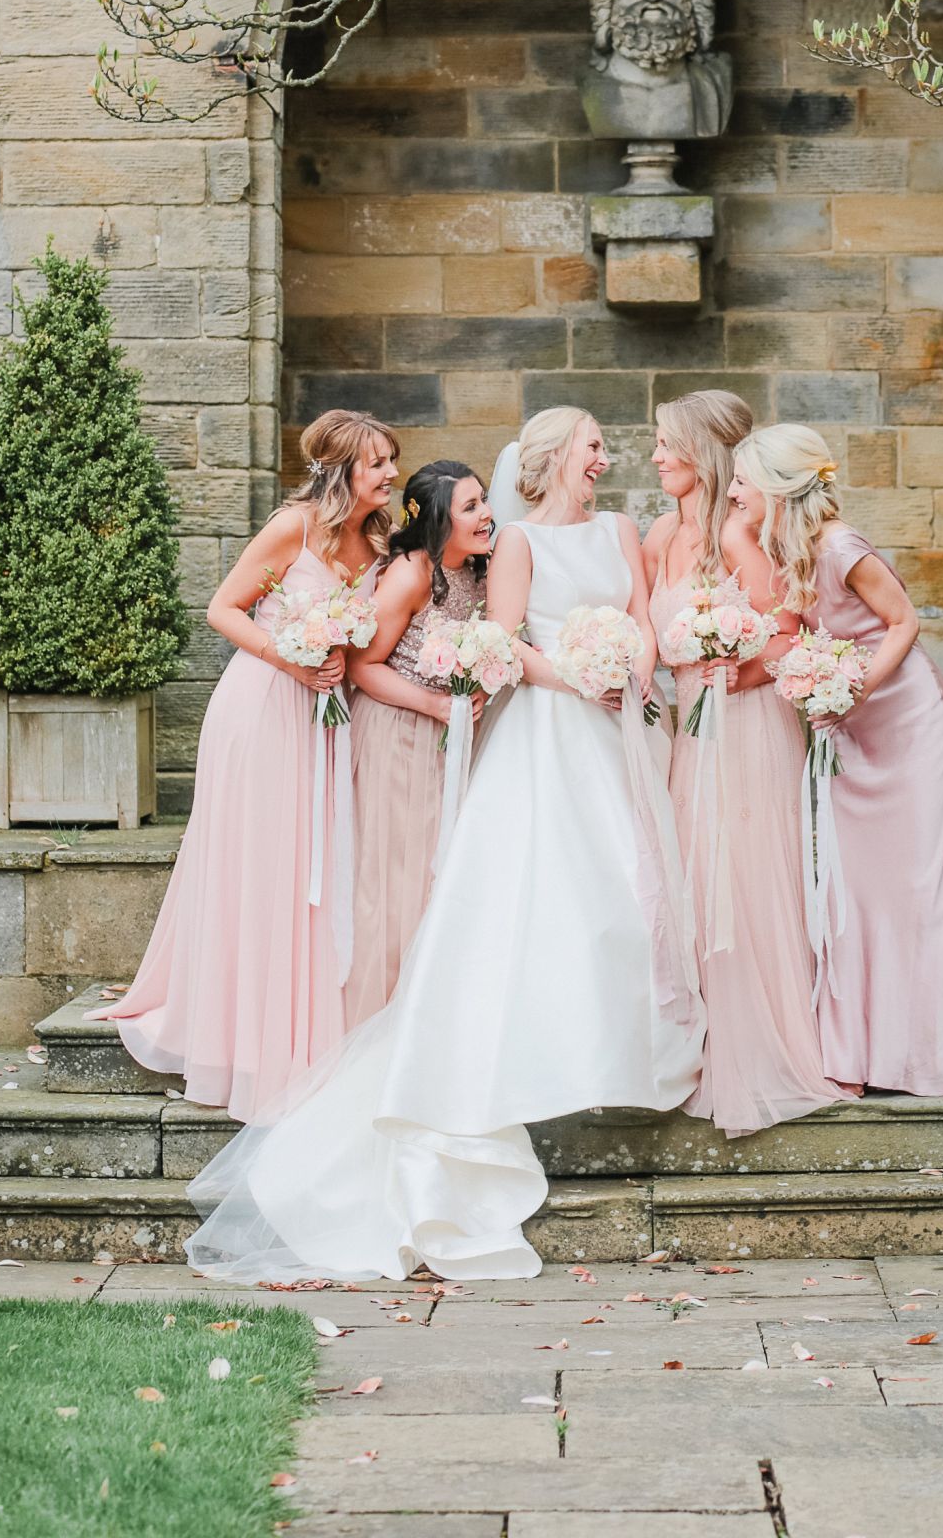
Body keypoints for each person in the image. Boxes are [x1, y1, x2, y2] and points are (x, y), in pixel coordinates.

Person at [184, 406, 702, 1282]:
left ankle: (626, 1036)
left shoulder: (525, 547)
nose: (481, 516)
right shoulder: (420, 565)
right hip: (486, 729)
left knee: (625, 887)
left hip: (597, 727)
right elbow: (456, 649)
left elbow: (569, 626)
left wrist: (629, 662)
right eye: (465, 505)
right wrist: (564, 676)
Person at [92, 409, 399, 1122]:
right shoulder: (294, 527)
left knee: (314, 863)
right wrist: (286, 657)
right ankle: (245, 1035)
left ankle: (306, 1014)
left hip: (328, 713)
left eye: (390, 460)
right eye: (377, 462)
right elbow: (224, 608)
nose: (389, 473)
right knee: (262, 861)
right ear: (341, 470)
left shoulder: (379, 537)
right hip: (264, 707)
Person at [731, 424, 943, 1099]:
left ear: (777, 486)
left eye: (742, 480)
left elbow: (903, 623)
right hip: (847, 721)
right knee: (856, 889)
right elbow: (794, 636)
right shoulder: (783, 547)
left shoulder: (839, 546)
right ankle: (861, 1053)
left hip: (904, 718)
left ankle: (940, 1057)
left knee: (918, 885)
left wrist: (852, 688)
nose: (734, 491)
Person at [644, 391, 844, 1136]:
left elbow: (784, 634)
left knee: (744, 871)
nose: (657, 456)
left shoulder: (738, 534)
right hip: (688, 730)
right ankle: (696, 1037)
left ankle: (759, 1044)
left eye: (667, 442)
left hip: (748, 723)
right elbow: (641, 626)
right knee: (692, 871)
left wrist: (739, 675)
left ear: (701, 450)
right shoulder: (662, 534)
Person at [344, 459, 494, 1031]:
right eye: (471, 507)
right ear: (437, 520)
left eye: (483, 502)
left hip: (453, 736)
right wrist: (435, 705)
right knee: (399, 880)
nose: (486, 516)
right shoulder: (410, 574)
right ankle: (381, 1022)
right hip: (398, 734)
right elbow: (363, 667)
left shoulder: (482, 568)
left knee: (443, 877)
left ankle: (436, 1018)